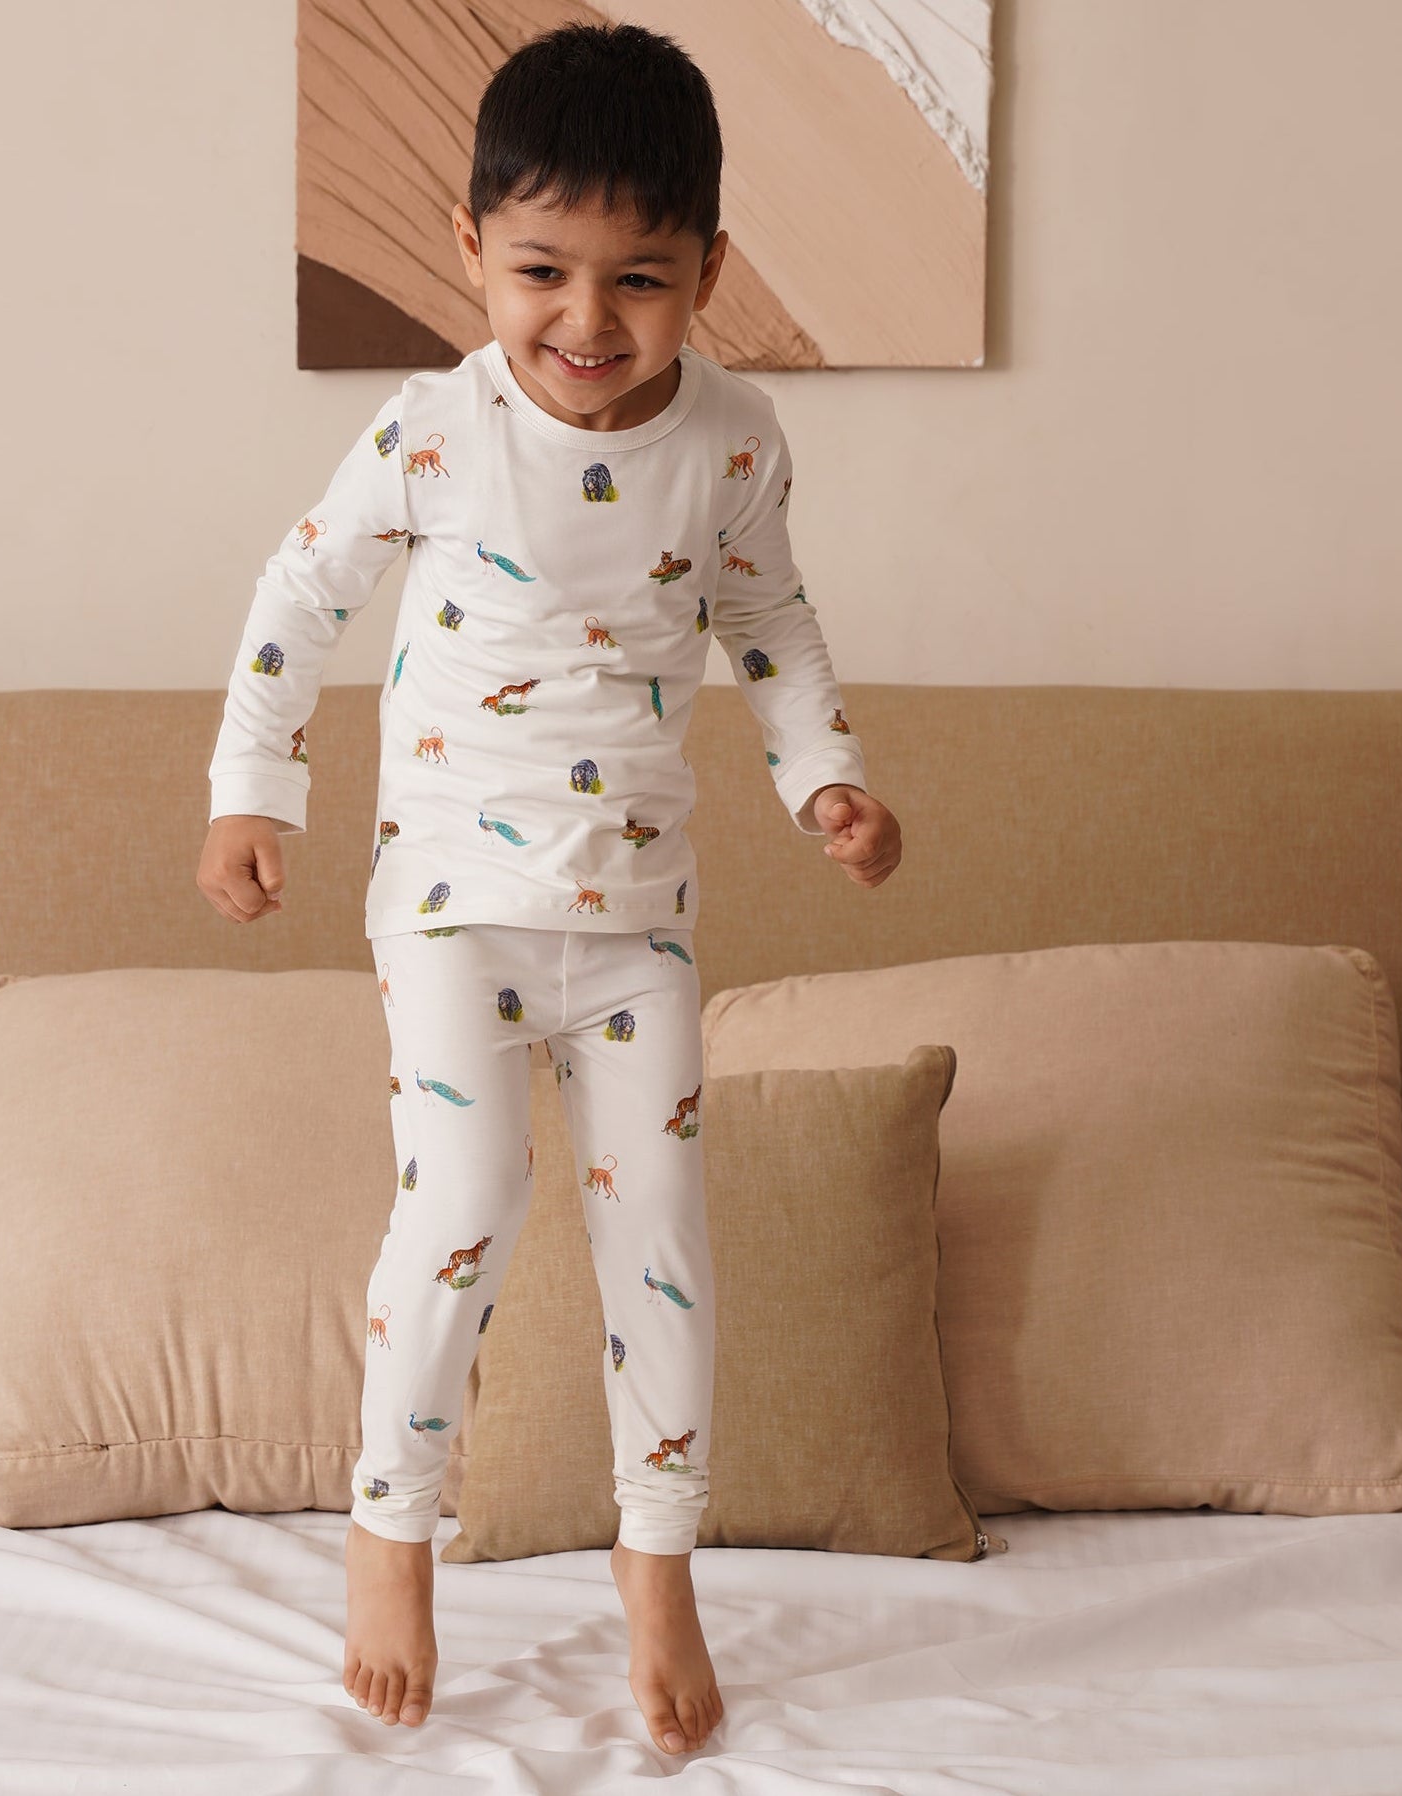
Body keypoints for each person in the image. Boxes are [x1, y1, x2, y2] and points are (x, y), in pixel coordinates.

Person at [196, 19, 902, 1756]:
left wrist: (824, 777)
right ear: (471, 253)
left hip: (636, 925)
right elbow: (297, 601)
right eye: (542, 273)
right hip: (445, 899)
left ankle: (656, 1564)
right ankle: (390, 1531)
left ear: (709, 274)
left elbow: (771, 622)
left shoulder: (732, 443)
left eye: (640, 282)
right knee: (467, 1201)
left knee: (662, 1236)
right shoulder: (434, 431)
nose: (586, 324)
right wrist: (250, 793)